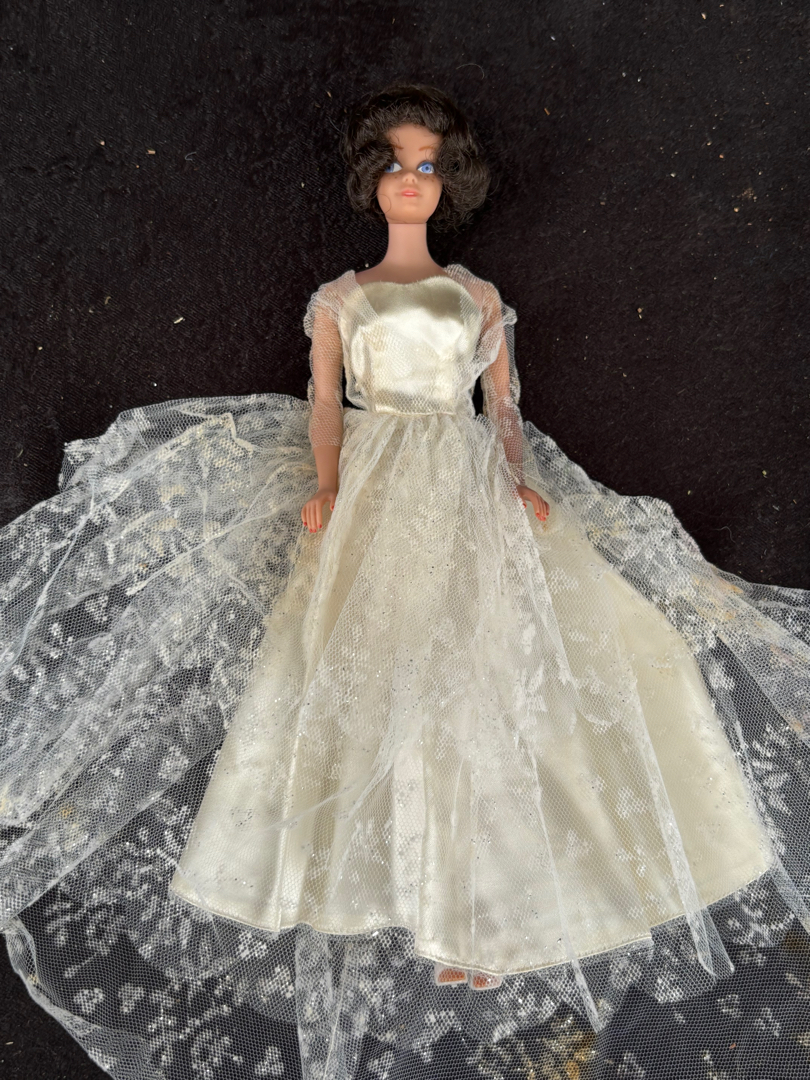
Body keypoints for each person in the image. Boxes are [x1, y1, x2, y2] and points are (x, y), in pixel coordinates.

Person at [1, 82, 809, 1080]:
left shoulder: (477, 297)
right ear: (370, 179)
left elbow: (502, 407)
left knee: (499, 681)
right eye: (394, 164)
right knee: (375, 683)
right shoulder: (342, 300)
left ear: (449, 180)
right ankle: (402, 900)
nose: (411, 181)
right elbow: (325, 406)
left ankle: (488, 916)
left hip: (468, 485)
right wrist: (327, 486)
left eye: (427, 165)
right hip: (378, 486)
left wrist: (518, 480)